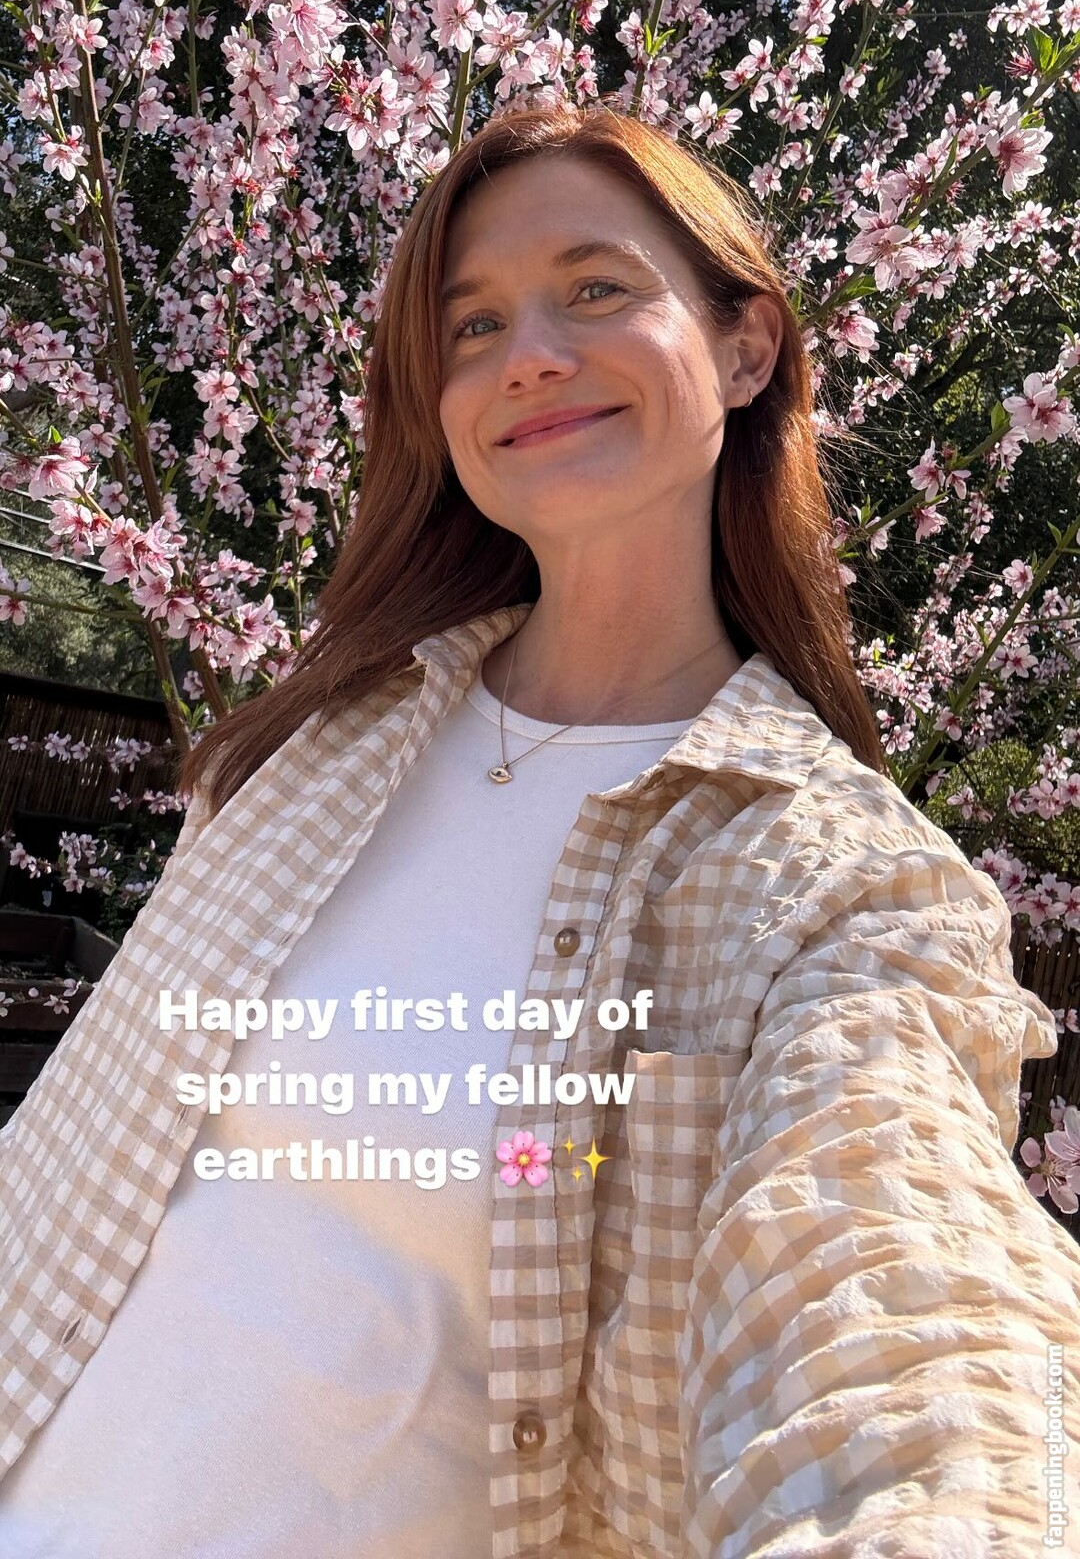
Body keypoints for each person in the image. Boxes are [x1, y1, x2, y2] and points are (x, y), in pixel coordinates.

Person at [1, 98, 1077, 1559]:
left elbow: (904, 1290)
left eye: (596, 289)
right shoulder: (310, 747)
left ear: (747, 348)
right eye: (473, 325)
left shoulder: (831, 883)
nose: (530, 357)